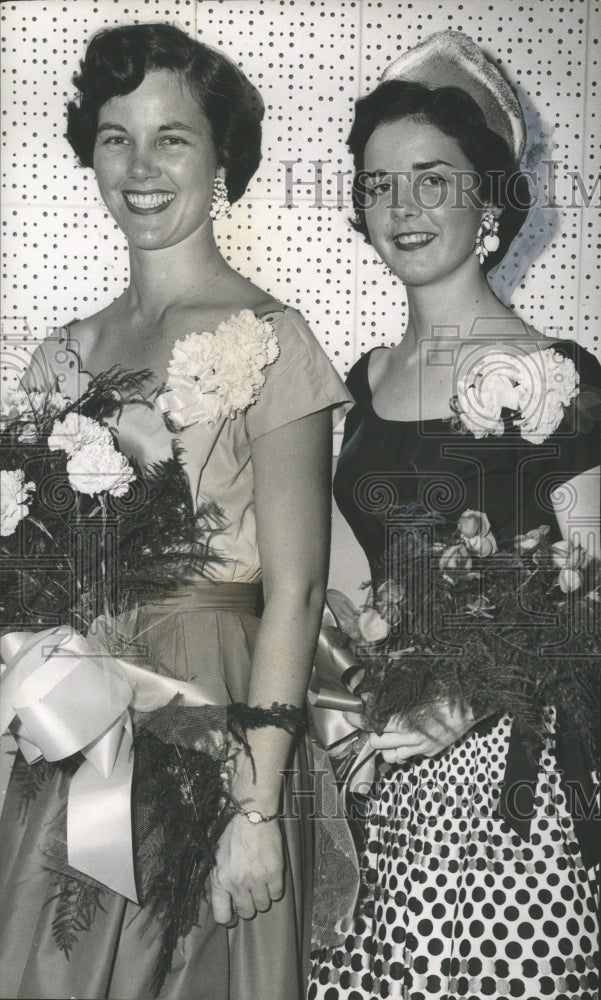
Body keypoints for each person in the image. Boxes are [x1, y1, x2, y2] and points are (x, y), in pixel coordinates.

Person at [0, 22, 352, 1000]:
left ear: (220, 156)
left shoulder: (273, 338)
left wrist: (255, 807)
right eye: (117, 137)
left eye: (172, 138)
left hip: (220, 724)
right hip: (81, 723)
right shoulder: (60, 357)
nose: (141, 167)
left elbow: (300, 586)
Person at [308, 32, 600, 1000]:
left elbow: (593, 591)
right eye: (378, 183)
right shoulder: (355, 389)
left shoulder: (561, 377)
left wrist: (468, 700)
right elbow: (346, 597)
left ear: (487, 199)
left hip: (520, 780)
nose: (402, 207)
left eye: (433, 179)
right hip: (385, 783)